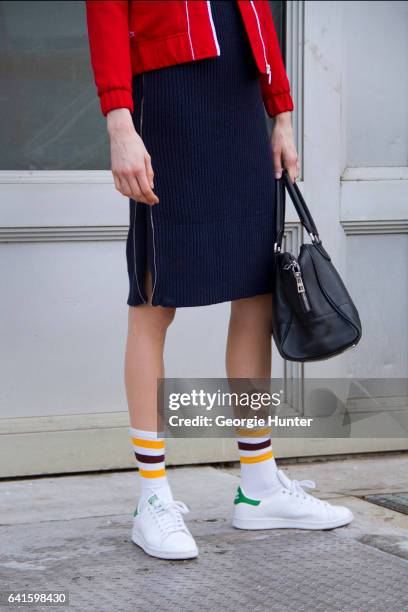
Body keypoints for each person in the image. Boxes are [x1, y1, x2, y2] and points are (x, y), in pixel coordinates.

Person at [86, 0, 353, 560]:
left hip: (240, 96)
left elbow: (255, 10)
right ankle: (152, 498)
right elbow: (106, 14)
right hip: (166, 97)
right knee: (154, 300)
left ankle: (258, 486)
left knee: (256, 292)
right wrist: (119, 121)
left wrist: (280, 113)